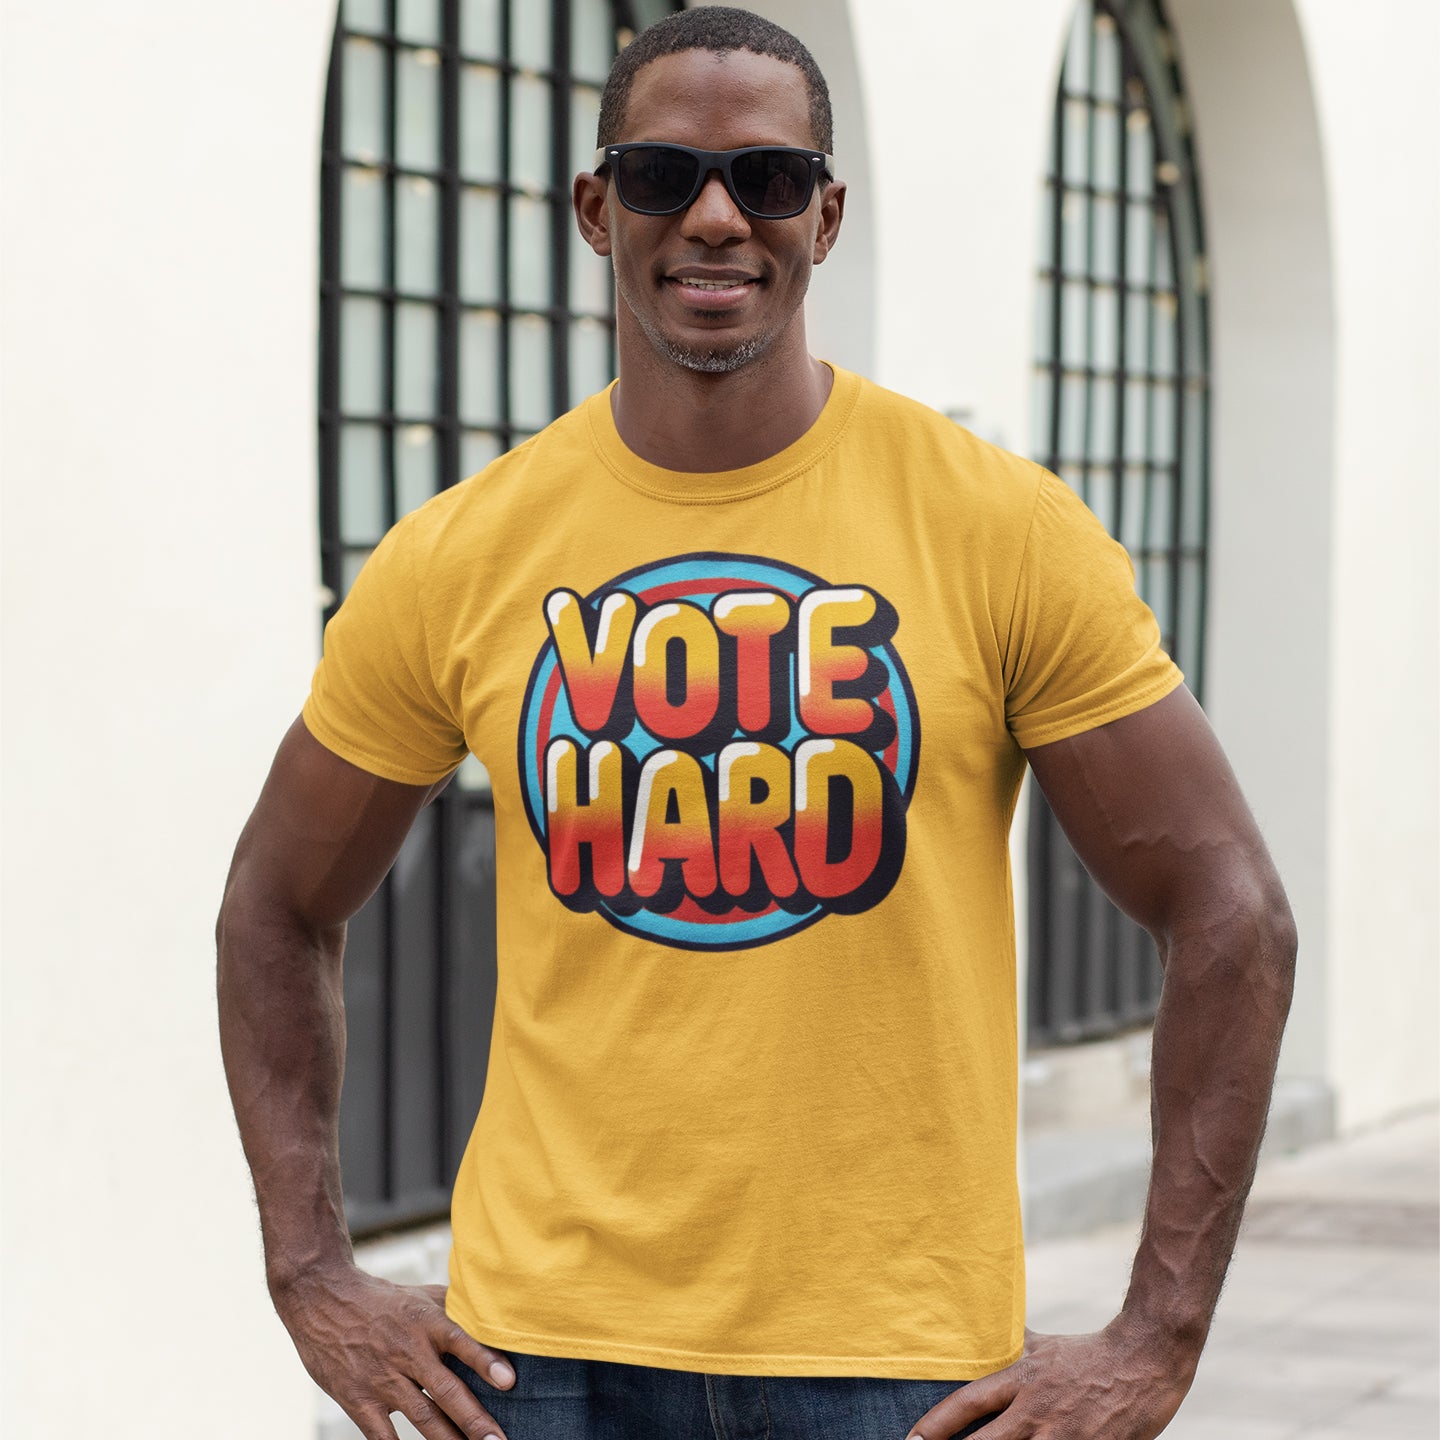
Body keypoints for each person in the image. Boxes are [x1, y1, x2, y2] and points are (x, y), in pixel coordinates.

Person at [216, 9, 1296, 1440]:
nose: (716, 217)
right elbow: (272, 906)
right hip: (539, 1365)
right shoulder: (464, 554)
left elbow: (1233, 911)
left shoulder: (997, 529)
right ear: (599, 210)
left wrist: (1159, 1337)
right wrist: (310, 1274)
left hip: (897, 1365)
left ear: (827, 216)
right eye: (663, 176)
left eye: (770, 180)